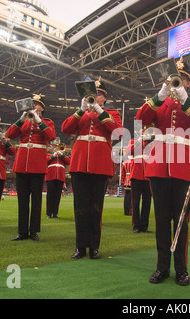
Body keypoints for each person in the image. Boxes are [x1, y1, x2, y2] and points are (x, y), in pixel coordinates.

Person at [136, 58, 190, 285]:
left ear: (188, 82)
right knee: (160, 220)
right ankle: (161, 267)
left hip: (182, 166)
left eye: (182, 79)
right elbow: (140, 119)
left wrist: (185, 98)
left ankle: (181, 269)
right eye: (174, 79)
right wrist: (160, 95)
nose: (178, 83)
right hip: (159, 165)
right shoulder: (160, 103)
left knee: (181, 221)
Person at [62, 79, 123, 260]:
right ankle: (80, 246)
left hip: (100, 163)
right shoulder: (81, 113)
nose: (94, 97)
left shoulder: (111, 113)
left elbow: (118, 132)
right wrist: (81, 110)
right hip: (80, 163)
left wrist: (99, 111)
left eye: (98, 94)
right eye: (92, 94)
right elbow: (66, 128)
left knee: (96, 207)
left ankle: (94, 247)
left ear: (104, 97)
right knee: (80, 208)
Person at [6, 94, 56, 241]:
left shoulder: (47, 122)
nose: (33, 106)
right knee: (22, 200)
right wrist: (21, 119)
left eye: (36, 104)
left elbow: (51, 136)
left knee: (36, 200)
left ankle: (33, 231)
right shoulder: (24, 122)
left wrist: (39, 120)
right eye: (32, 103)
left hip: (37, 164)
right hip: (22, 163)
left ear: (42, 108)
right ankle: (22, 231)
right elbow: (9, 134)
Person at [126, 134, 152, 233]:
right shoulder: (134, 141)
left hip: (149, 175)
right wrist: (140, 139)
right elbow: (129, 151)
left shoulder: (151, 142)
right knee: (135, 202)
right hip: (137, 174)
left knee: (147, 202)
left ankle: (144, 226)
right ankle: (136, 225)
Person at [45, 143, 70, 219]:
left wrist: (62, 155)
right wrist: (53, 155)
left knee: (57, 196)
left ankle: (55, 213)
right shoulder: (49, 155)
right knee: (50, 195)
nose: (58, 149)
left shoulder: (63, 157)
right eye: (57, 148)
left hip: (60, 177)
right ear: (54, 149)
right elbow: (45, 161)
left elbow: (68, 161)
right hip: (51, 176)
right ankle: (49, 213)